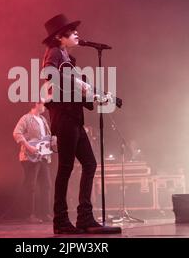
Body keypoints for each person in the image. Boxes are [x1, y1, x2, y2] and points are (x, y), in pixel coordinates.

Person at [41, 14, 121, 234]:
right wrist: (79, 84)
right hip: (64, 118)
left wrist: (95, 96)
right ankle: (61, 221)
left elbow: (74, 88)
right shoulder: (55, 52)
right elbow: (50, 75)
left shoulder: (67, 57)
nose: (77, 33)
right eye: (72, 30)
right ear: (60, 36)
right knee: (66, 168)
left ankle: (85, 217)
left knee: (89, 163)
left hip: (74, 117)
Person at [13, 102, 55, 223]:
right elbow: (16, 133)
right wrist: (28, 147)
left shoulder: (43, 119)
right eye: (42, 104)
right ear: (36, 104)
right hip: (29, 157)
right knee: (31, 186)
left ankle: (45, 213)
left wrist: (53, 140)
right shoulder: (26, 118)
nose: (45, 106)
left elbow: (47, 137)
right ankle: (29, 215)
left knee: (46, 185)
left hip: (42, 157)